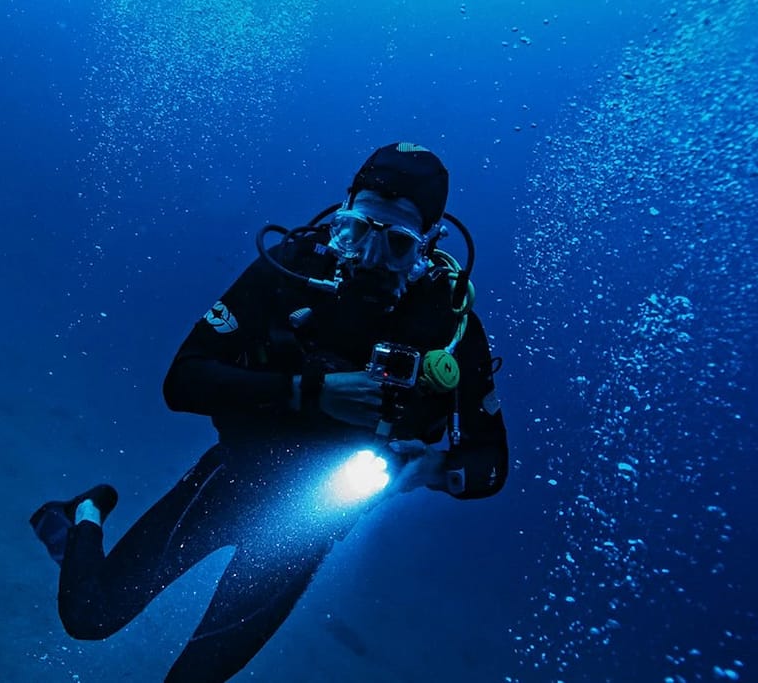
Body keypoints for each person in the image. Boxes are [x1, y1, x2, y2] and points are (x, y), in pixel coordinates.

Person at [30, 142, 509, 682]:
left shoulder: (448, 325)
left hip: (310, 525)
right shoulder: (288, 271)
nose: (370, 258)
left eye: (397, 243)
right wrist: (310, 390)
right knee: (89, 619)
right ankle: (84, 515)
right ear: (342, 213)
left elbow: (491, 462)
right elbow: (181, 381)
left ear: (429, 242)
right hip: (232, 477)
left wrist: (432, 471)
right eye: (356, 232)